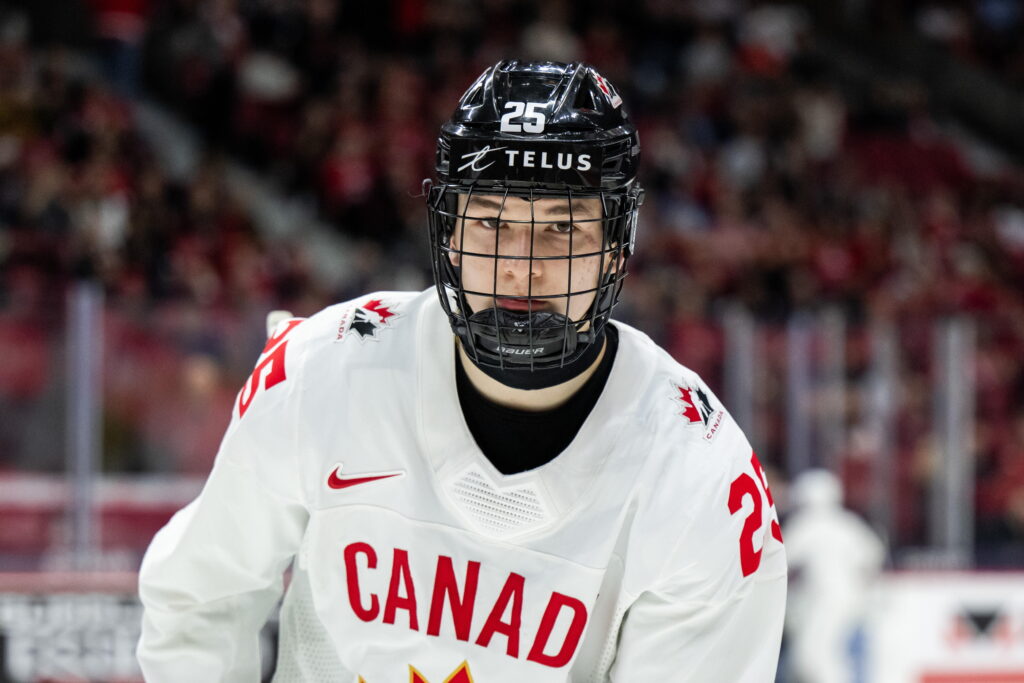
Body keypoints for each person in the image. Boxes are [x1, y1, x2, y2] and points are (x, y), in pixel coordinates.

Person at [137, 60, 787, 682]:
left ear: (616, 246)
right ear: (448, 231)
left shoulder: (700, 478)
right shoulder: (327, 370)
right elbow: (200, 595)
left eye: (561, 230)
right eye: (491, 222)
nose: (521, 265)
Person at [783, 469, 885, 683]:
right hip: (851, 601)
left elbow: (780, 561)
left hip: (822, 603)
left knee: (813, 657)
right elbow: (873, 557)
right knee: (832, 657)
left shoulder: (804, 525)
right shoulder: (849, 524)